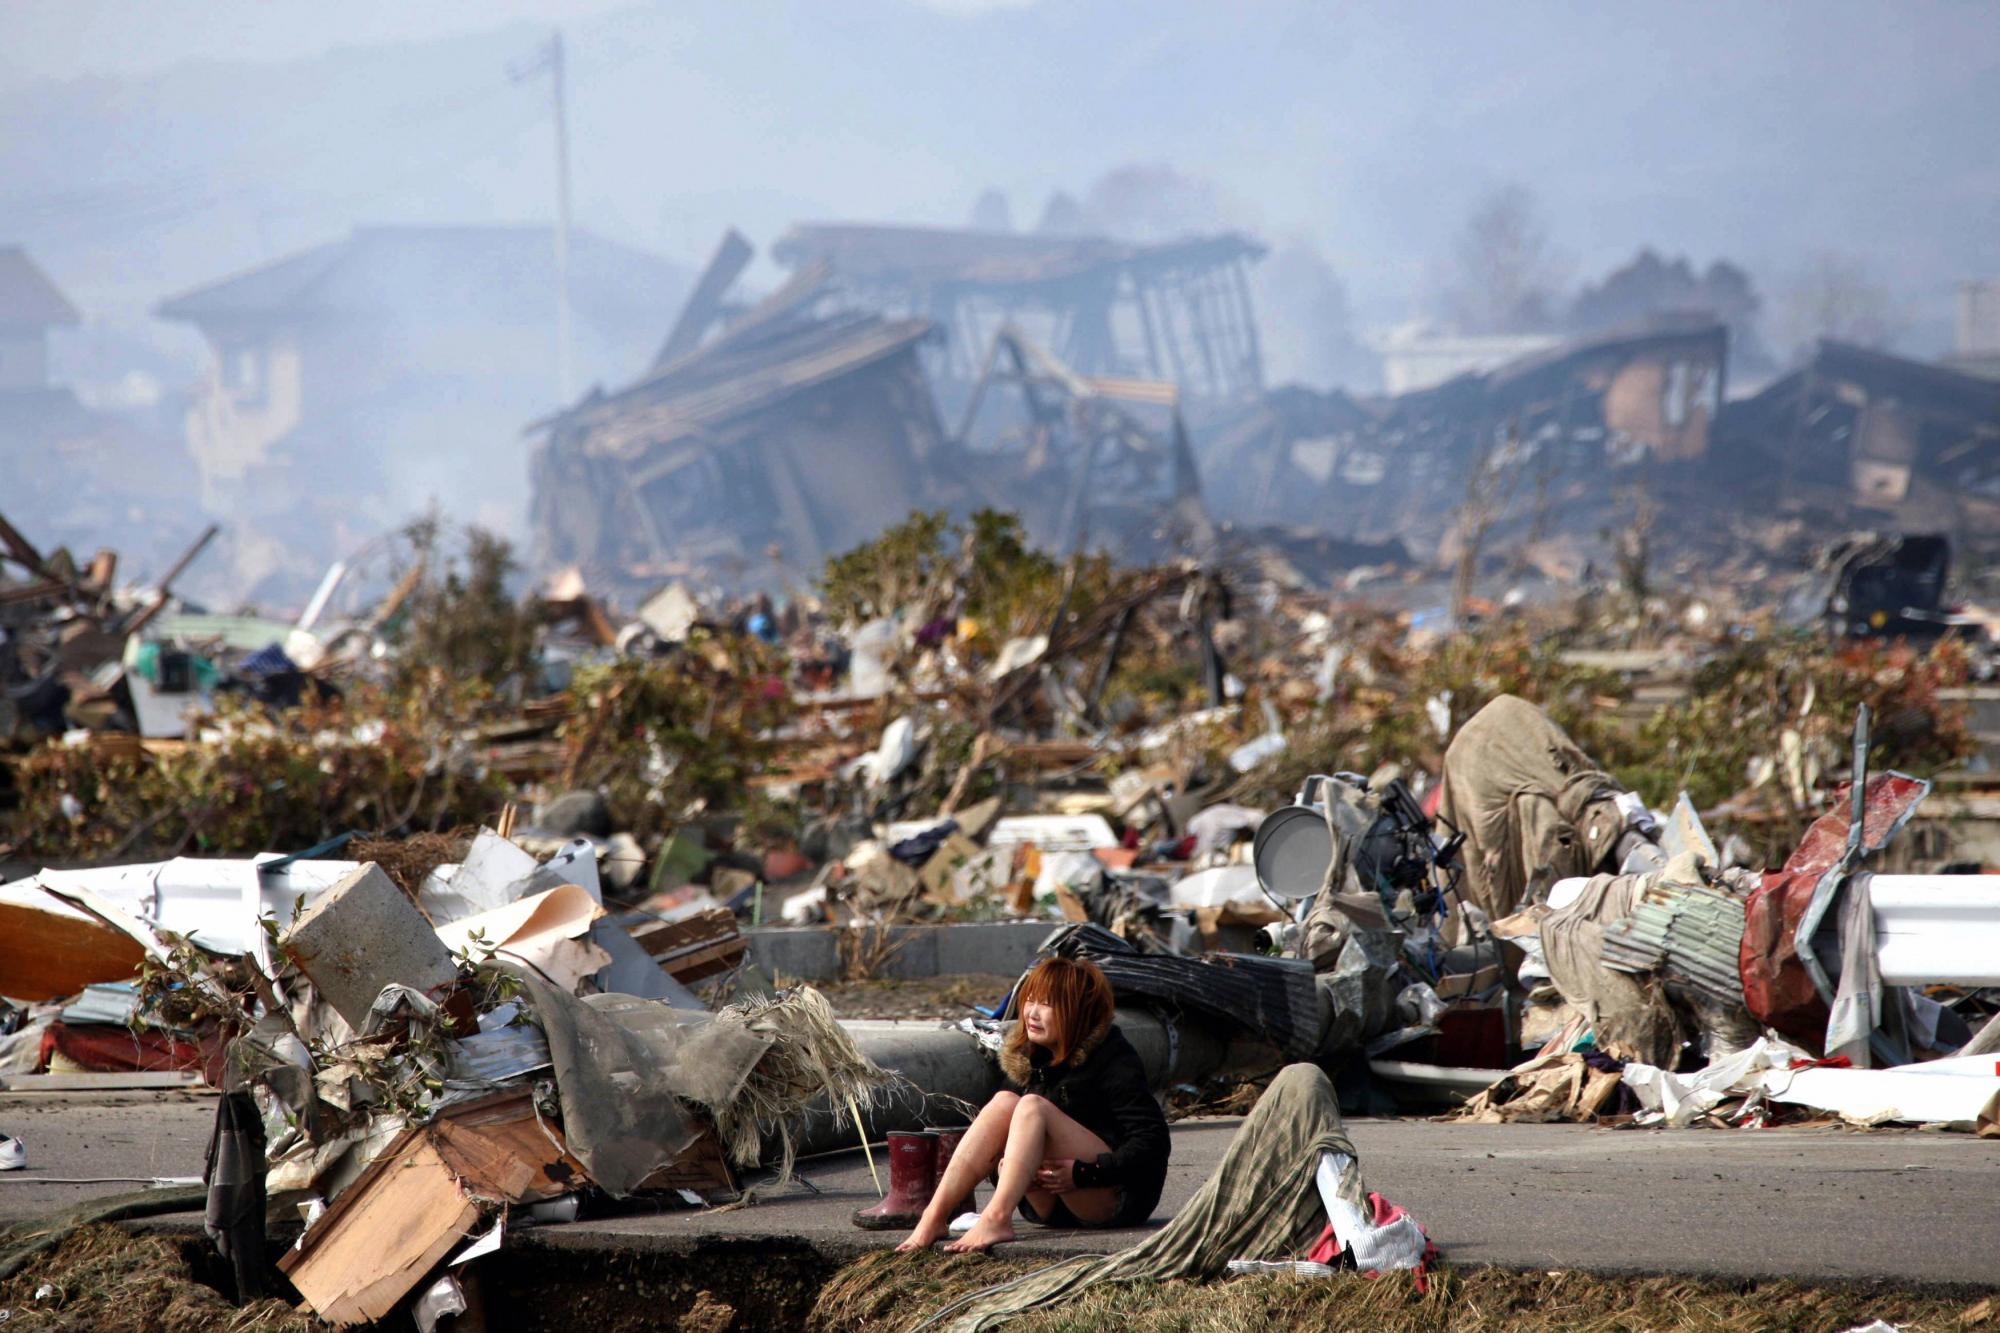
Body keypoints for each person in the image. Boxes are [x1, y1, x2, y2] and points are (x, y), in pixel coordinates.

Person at [895, 956, 1170, 1253]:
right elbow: (996, 1145)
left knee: (1032, 1107)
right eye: (1030, 1001)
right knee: (1004, 1102)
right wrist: (1005, 1171)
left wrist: (1084, 1173)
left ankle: (997, 1218)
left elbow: (1152, 1142)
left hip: (1109, 1199)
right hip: (1047, 1207)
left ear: (1078, 1010)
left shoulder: (1114, 1058)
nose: (1032, 1013)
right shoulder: (1029, 1058)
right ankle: (934, 1216)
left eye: (1047, 1004)